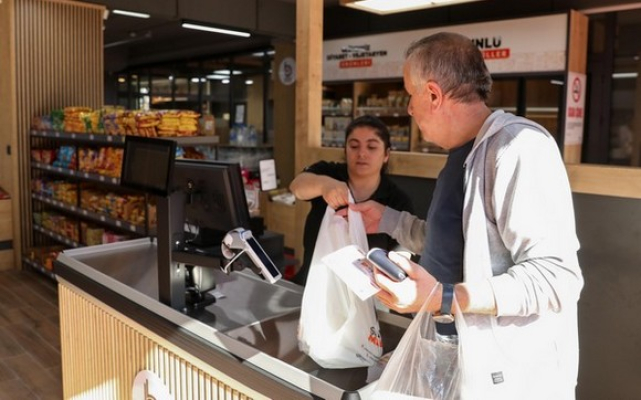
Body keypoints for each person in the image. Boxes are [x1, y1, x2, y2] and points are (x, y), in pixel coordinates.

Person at [347, 32, 584, 399]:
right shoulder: (462, 155)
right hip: (453, 359)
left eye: (410, 95)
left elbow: (556, 278)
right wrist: (389, 220)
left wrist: (443, 297)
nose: (409, 109)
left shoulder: (519, 147)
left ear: (433, 95)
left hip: (509, 381)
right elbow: (455, 242)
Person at [289, 115, 413, 286]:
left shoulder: (397, 201)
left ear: (386, 154)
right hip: (313, 283)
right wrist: (324, 185)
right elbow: (297, 186)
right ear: (345, 150)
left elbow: (401, 258)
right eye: (354, 146)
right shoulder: (329, 172)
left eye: (371, 147)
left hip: (366, 294)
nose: (361, 153)